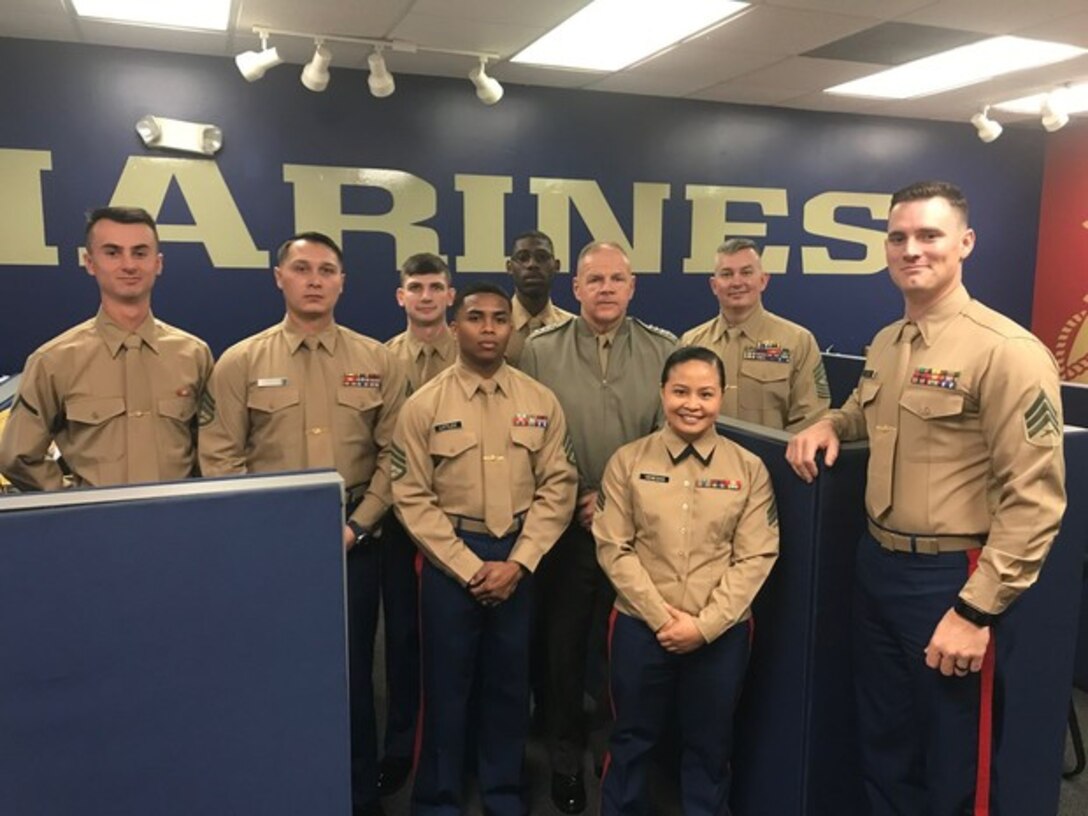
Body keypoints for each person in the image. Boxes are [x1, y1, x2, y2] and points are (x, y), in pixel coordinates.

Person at [785, 181, 1066, 815]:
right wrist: (831, 422)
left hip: (952, 578)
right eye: (899, 237)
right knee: (884, 742)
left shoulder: (1007, 351)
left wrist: (974, 612)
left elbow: (1035, 501)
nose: (912, 249)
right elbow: (864, 410)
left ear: (964, 243)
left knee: (955, 757)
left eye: (929, 235)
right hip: (878, 564)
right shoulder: (889, 341)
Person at [198, 231, 407, 816]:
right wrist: (265, 532)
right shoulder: (240, 361)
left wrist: (359, 527)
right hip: (267, 550)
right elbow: (220, 457)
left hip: (353, 545)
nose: (314, 279)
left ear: (342, 281)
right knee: (272, 673)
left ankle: (357, 795)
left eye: (327, 270)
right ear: (279, 277)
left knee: (351, 681)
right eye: (302, 268)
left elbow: (395, 458)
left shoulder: (378, 361)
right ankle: (280, 788)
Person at [392, 281, 577, 816]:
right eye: (476, 318)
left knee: (507, 686)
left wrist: (520, 561)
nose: (490, 328)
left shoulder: (540, 402)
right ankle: (437, 799)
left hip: (519, 555)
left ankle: (503, 794)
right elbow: (410, 495)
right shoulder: (424, 405)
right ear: (455, 327)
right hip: (453, 557)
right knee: (445, 689)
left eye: (500, 318)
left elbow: (559, 485)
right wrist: (469, 565)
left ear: (511, 329)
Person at [520, 241, 677, 814]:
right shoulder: (537, 352)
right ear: (576, 288)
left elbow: (669, 440)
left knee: (627, 655)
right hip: (564, 529)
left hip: (637, 531)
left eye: (617, 279)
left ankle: (618, 760)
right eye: (595, 279)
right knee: (561, 652)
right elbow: (531, 433)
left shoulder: (665, 349)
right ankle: (565, 761)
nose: (606, 288)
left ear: (632, 286)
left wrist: (613, 501)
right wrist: (579, 497)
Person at [595, 346, 779, 816]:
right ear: (662, 393)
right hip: (640, 626)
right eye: (680, 391)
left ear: (722, 396)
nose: (691, 404)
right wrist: (662, 619)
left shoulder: (749, 470)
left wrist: (704, 626)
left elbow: (756, 555)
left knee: (710, 746)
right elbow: (615, 548)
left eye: (705, 393)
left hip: (720, 633)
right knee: (631, 738)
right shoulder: (627, 462)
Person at [0, 206, 212, 490]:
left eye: (140, 252)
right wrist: (72, 504)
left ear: (158, 263)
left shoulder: (194, 355)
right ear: (89, 262)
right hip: (94, 530)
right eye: (112, 253)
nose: (129, 265)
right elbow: (17, 456)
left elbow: (214, 450)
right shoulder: (54, 361)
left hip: (181, 525)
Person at [379, 252, 457, 796]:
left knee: (462, 647)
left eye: (435, 286)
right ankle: (402, 745)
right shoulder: (380, 360)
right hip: (398, 524)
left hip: (465, 526)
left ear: (450, 295)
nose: (426, 296)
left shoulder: (481, 348)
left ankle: (464, 746)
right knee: (404, 642)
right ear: (400, 296)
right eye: (415, 287)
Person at [680, 238, 828, 431]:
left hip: (772, 460)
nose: (736, 282)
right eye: (726, 274)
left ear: (763, 280)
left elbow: (810, 420)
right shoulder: (690, 344)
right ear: (714, 285)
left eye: (746, 272)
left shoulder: (798, 341)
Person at [504, 230, 575, 366]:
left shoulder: (574, 330)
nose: (532, 264)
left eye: (542, 257)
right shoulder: (492, 329)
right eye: (523, 258)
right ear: (509, 267)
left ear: (556, 266)